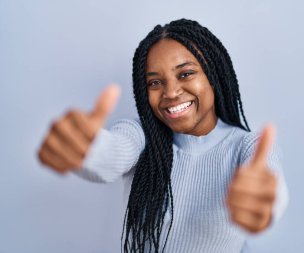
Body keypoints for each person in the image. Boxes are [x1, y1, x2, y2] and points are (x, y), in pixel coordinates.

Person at [38, 19, 288, 253]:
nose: (171, 92)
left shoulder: (247, 148)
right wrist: (86, 150)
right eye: (155, 83)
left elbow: (270, 190)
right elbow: (110, 155)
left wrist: (264, 205)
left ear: (214, 76)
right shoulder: (143, 135)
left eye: (185, 73)